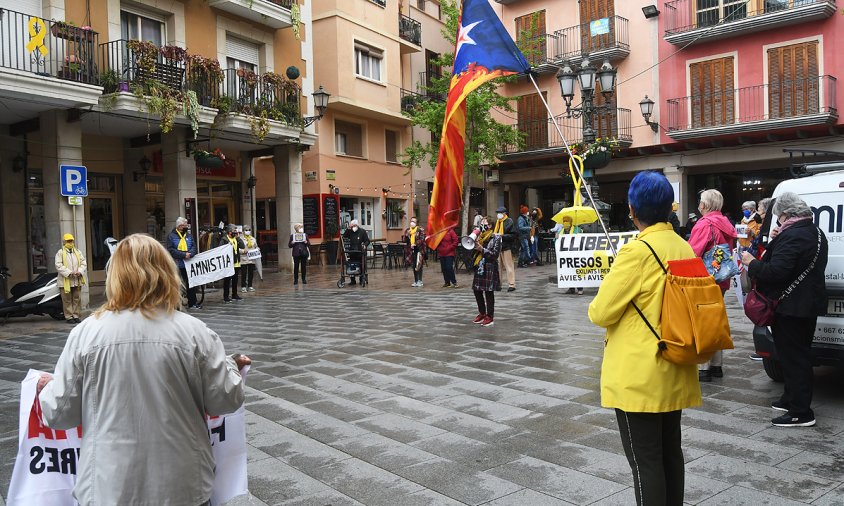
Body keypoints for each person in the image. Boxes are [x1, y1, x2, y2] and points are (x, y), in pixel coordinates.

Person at [37, 234, 251, 505]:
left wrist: (48, 390)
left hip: (109, 488)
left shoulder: (86, 334)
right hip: (183, 487)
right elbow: (225, 399)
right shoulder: (194, 332)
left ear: (114, 276)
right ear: (167, 273)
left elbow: (59, 414)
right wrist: (231, 366)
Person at [588, 171, 701, 506]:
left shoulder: (636, 252)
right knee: (670, 454)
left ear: (633, 210)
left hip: (641, 375)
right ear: (669, 207)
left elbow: (600, 312)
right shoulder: (684, 246)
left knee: (645, 462)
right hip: (676, 364)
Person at [741, 192, 828, 427]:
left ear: (788, 215)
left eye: (779, 216)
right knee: (792, 355)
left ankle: (801, 411)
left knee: (795, 358)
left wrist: (752, 263)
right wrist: (777, 239)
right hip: (803, 304)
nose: (778, 220)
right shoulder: (814, 232)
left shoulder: (795, 236)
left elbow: (775, 272)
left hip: (792, 307)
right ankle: (791, 398)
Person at [688, 189, 737, 382]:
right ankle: (717, 365)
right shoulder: (725, 223)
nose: (699, 205)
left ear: (705, 205)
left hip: (705, 279)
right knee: (716, 319)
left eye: (700, 202)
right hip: (722, 278)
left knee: (703, 321)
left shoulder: (704, 224)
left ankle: (703, 366)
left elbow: (693, 252)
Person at [472, 216, 501, 327]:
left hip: (489, 267)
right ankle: (482, 313)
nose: (482, 225)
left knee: (488, 292)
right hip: (479, 266)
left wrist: (482, 249)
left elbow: (494, 254)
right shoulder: (479, 236)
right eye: (481, 223)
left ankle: (490, 316)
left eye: (484, 223)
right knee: (477, 290)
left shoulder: (496, 237)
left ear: (490, 226)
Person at [167, 217, 200, 309]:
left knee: (191, 283)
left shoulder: (188, 235)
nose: (186, 227)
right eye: (185, 225)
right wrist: (183, 255)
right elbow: (170, 250)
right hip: (177, 264)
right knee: (177, 284)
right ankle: (176, 303)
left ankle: (192, 302)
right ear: (179, 226)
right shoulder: (171, 236)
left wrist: (190, 254)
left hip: (189, 264)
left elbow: (194, 246)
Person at [55, 233, 87, 324]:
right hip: (65, 280)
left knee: (76, 298)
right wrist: (69, 273)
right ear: (64, 242)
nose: (70, 242)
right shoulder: (60, 252)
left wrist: (79, 271)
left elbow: (83, 263)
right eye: (68, 241)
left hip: (77, 279)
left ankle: (76, 315)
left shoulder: (77, 251)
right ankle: (69, 316)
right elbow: (58, 265)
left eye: (71, 240)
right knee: (67, 299)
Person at [556, 217, 584, 295]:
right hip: (565, 255)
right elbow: (556, 242)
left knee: (577, 271)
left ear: (571, 222)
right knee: (568, 271)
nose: (565, 222)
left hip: (575, 254)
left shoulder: (577, 229)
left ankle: (580, 288)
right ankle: (571, 288)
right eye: (564, 221)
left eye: (567, 221)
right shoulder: (561, 231)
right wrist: (556, 238)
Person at [218, 224, 245, 303]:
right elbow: (221, 249)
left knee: (235, 279)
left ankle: (234, 294)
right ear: (229, 232)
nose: (235, 232)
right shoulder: (224, 239)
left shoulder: (236, 238)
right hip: (229, 263)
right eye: (234, 231)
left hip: (236, 262)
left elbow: (242, 246)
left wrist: (238, 238)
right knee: (227, 280)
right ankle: (226, 296)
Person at [495, 206, 517, 292]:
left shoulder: (509, 221)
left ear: (504, 213)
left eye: (500, 213)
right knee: (498, 266)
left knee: (509, 266)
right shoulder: (498, 222)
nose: (498, 215)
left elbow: (513, 235)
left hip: (507, 246)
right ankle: (498, 283)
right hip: (498, 247)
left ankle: (512, 284)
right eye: (497, 213)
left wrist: (502, 236)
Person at [342, 219, 370, 285]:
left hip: (360, 251)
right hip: (352, 251)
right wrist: (348, 228)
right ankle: (352, 280)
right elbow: (344, 236)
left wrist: (365, 245)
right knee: (352, 265)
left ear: (357, 225)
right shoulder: (350, 231)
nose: (353, 227)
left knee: (361, 265)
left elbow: (367, 241)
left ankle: (361, 279)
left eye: (354, 226)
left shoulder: (362, 231)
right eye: (352, 226)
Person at [404, 217, 427, 287]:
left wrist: (416, 243)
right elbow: (404, 240)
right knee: (414, 265)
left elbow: (422, 239)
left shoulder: (420, 230)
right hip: (411, 251)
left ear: (416, 223)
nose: (412, 223)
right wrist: (407, 235)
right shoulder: (408, 230)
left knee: (419, 265)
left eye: (414, 221)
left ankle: (420, 280)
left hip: (419, 250)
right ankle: (416, 280)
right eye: (411, 221)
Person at [240, 225, 258, 292]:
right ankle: (243, 286)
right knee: (244, 273)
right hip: (244, 258)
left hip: (251, 258)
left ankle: (250, 285)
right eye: (246, 230)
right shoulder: (240, 239)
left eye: (249, 230)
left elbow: (256, 246)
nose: (248, 231)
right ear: (243, 231)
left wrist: (257, 250)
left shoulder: (253, 239)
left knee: (251, 273)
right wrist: (243, 251)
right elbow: (238, 248)